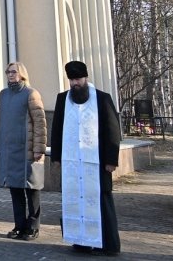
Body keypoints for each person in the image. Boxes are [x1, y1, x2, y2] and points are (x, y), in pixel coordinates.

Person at [50, 61, 122, 256]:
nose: (75, 84)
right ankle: (80, 241)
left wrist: (111, 160)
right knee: (73, 200)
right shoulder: (62, 99)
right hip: (72, 163)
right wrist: (56, 157)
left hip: (97, 163)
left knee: (101, 200)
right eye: (72, 80)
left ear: (86, 78)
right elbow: (56, 130)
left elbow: (112, 131)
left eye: (78, 79)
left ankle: (108, 244)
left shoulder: (102, 98)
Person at [0, 62, 47, 241]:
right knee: (15, 189)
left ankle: (33, 227)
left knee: (32, 189)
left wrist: (39, 148)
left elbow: (40, 123)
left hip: (27, 150)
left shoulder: (31, 94)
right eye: (8, 72)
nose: (10, 74)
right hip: (9, 150)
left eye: (14, 71)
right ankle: (19, 225)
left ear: (22, 73)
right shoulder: (4, 94)